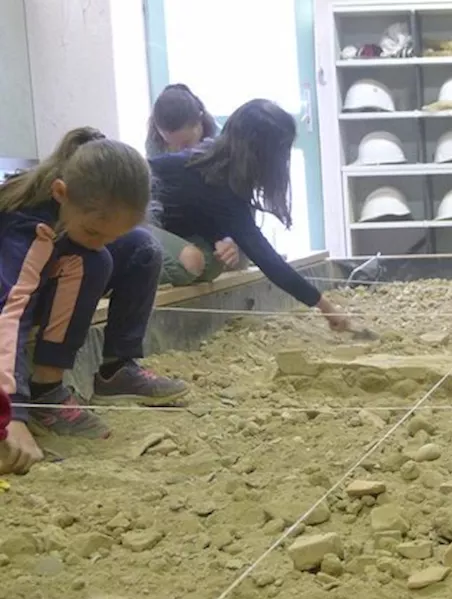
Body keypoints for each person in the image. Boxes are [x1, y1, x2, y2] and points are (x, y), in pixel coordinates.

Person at [0, 127, 189, 452]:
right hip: (10, 292)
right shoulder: (29, 229)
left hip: (45, 273)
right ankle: (46, 391)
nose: (103, 242)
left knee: (142, 247)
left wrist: (104, 240)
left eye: (112, 235)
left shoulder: (79, 216)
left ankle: (118, 370)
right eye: (93, 230)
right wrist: (11, 414)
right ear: (60, 193)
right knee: (93, 259)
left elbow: (106, 241)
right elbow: (11, 312)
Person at [149, 99, 351, 330]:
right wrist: (326, 308)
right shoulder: (211, 176)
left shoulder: (224, 172)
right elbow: (265, 257)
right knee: (190, 262)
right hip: (131, 222)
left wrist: (223, 238)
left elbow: (195, 214)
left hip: (165, 227)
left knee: (213, 262)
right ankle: (119, 277)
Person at [145, 83, 218, 157]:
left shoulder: (220, 142)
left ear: (200, 123)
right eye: (170, 143)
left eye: (186, 144)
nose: (179, 152)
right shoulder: (154, 144)